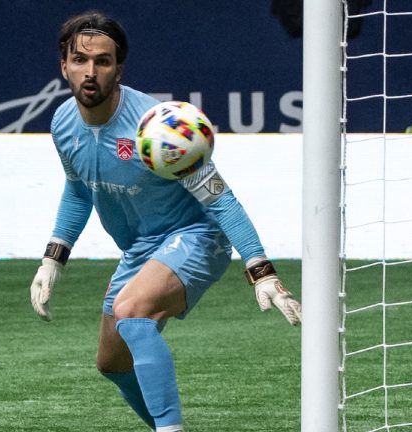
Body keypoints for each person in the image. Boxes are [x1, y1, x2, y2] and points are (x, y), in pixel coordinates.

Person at [28, 10, 301, 432]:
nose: (90, 71)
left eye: (102, 61)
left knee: (132, 311)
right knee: (112, 363)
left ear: (119, 68)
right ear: (63, 65)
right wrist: (53, 259)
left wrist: (261, 270)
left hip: (195, 236)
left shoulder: (160, 128)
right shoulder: (63, 123)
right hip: (139, 249)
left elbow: (220, 199)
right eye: (79, 60)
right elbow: (79, 188)